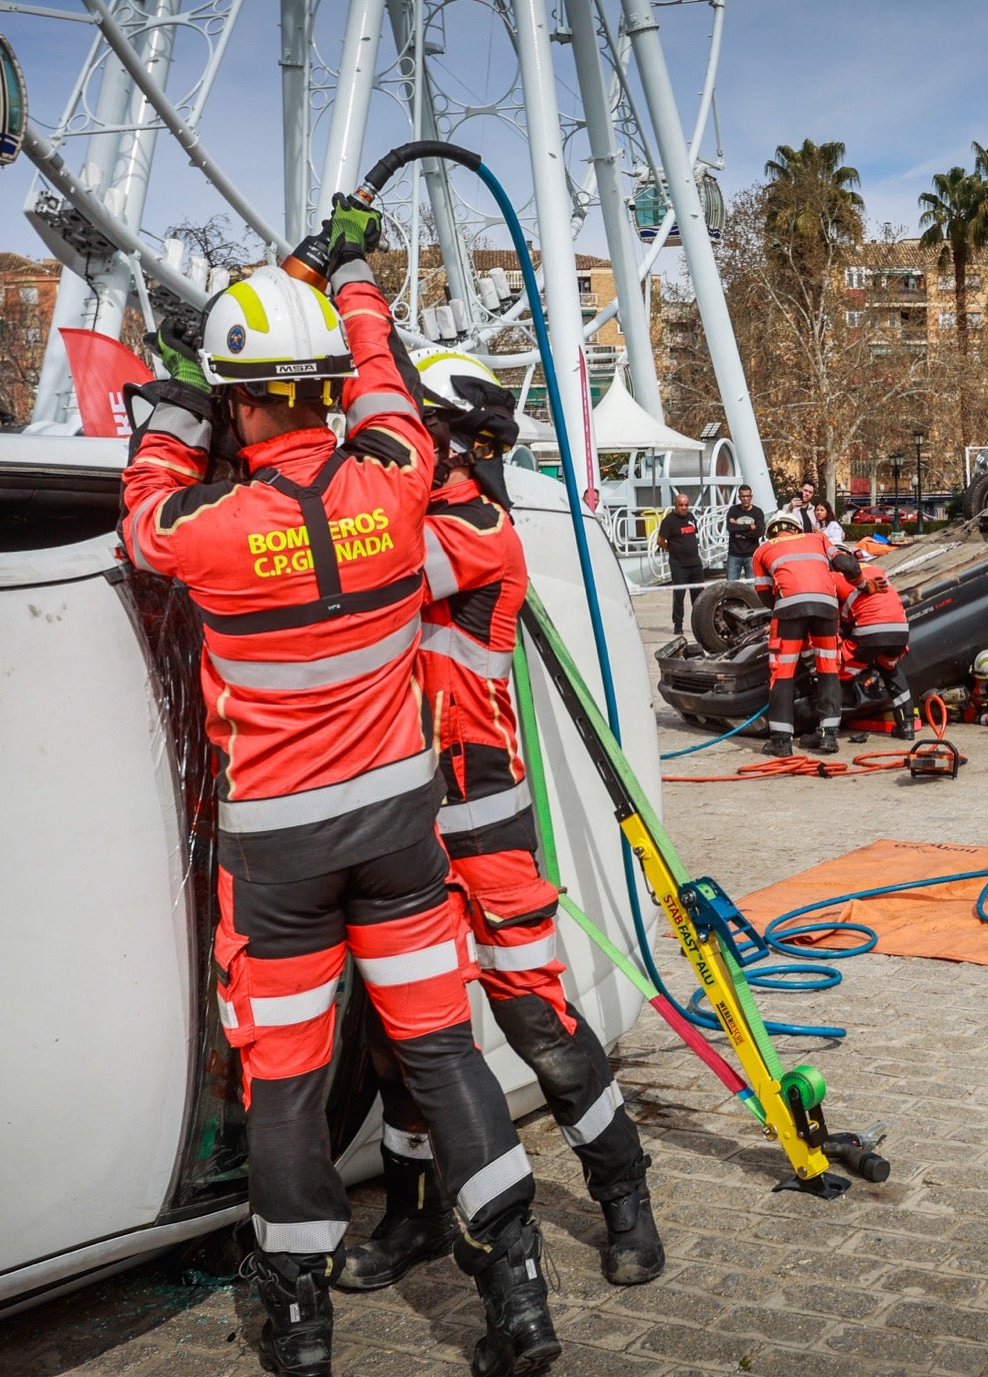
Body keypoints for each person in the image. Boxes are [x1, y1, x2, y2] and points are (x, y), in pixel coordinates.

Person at [120, 200, 557, 1377]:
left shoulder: (200, 532)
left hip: (280, 866)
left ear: (238, 400)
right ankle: (519, 1295)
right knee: (441, 1054)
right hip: (401, 836)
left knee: (289, 1080)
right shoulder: (399, 479)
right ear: (325, 392)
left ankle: (302, 1324)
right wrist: (355, 283)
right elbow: (385, 388)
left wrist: (174, 411)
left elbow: (146, 503)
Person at [336, 352, 664, 1303]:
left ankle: (623, 1191)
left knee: (535, 1019)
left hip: (483, 824)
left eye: (405, 434)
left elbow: (370, 571)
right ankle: (415, 1212)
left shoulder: (478, 531)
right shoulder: (416, 517)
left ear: (448, 444)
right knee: (409, 1036)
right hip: (402, 824)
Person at [752, 510, 842, 756]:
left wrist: (784, 608)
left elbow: (763, 592)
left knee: (782, 673)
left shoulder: (762, 550)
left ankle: (782, 742)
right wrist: (862, 582)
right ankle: (829, 736)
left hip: (789, 611)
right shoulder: (817, 538)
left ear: (770, 532)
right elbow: (844, 562)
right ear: (796, 529)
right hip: (827, 608)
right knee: (828, 667)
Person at [830, 544, 914, 741]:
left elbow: (838, 614)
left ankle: (830, 728)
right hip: (900, 629)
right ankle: (907, 724)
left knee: (841, 673)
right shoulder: (877, 569)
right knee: (890, 669)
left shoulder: (834, 577)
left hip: (870, 632)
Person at [655, 491, 703, 636]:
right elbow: (660, 540)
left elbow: (693, 534)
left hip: (695, 563)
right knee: (679, 597)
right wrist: (671, 549)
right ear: (675, 505)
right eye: (681, 505)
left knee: (699, 597)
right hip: (679, 565)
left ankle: (700, 624)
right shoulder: (669, 521)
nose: (684, 508)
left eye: (686, 505)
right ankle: (678, 624)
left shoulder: (691, 517)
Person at [724, 484, 762, 579]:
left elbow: (758, 533)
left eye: (747, 496)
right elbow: (730, 528)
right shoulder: (733, 510)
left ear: (751, 497)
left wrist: (738, 526)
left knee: (752, 587)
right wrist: (750, 526)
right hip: (734, 554)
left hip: (751, 554)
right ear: (739, 497)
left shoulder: (757, 512)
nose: (745, 499)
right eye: (743, 496)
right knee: (731, 587)